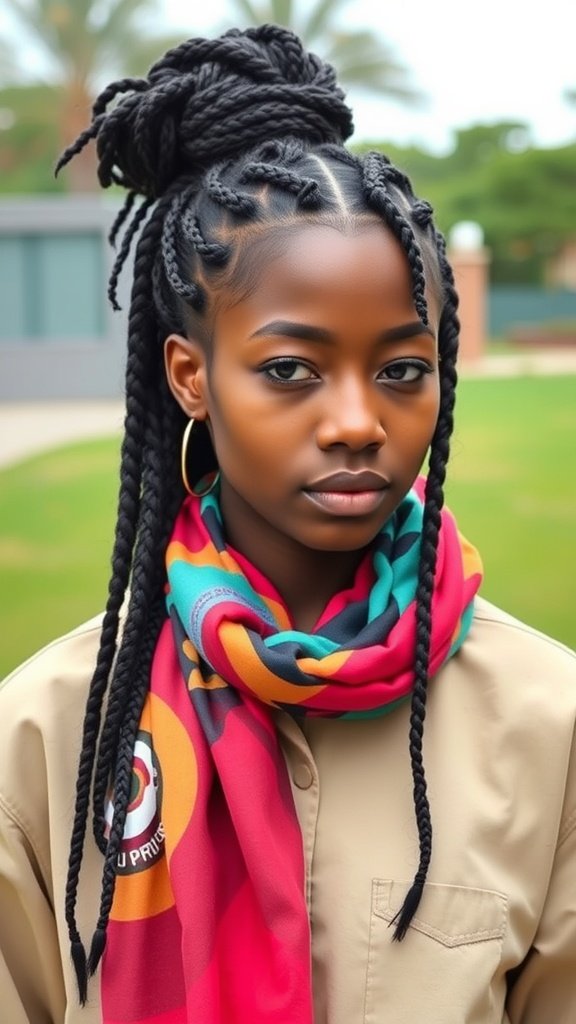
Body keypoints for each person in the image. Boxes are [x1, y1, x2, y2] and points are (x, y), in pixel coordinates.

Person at [0, 24, 575, 1024]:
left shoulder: (550, 726)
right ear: (191, 375)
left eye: (402, 369)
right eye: (290, 369)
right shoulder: (46, 736)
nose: (358, 421)